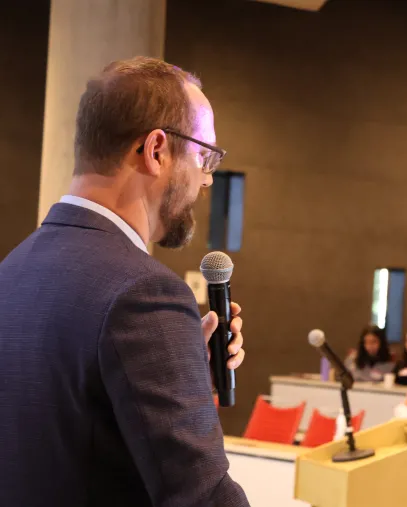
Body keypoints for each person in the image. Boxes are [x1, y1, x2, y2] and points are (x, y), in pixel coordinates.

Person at [0, 57, 249, 507]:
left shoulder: (12, 271)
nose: (206, 180)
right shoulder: (144, 293)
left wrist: (186, 377)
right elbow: (202, 498)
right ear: (156, 149)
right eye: (203, 156)